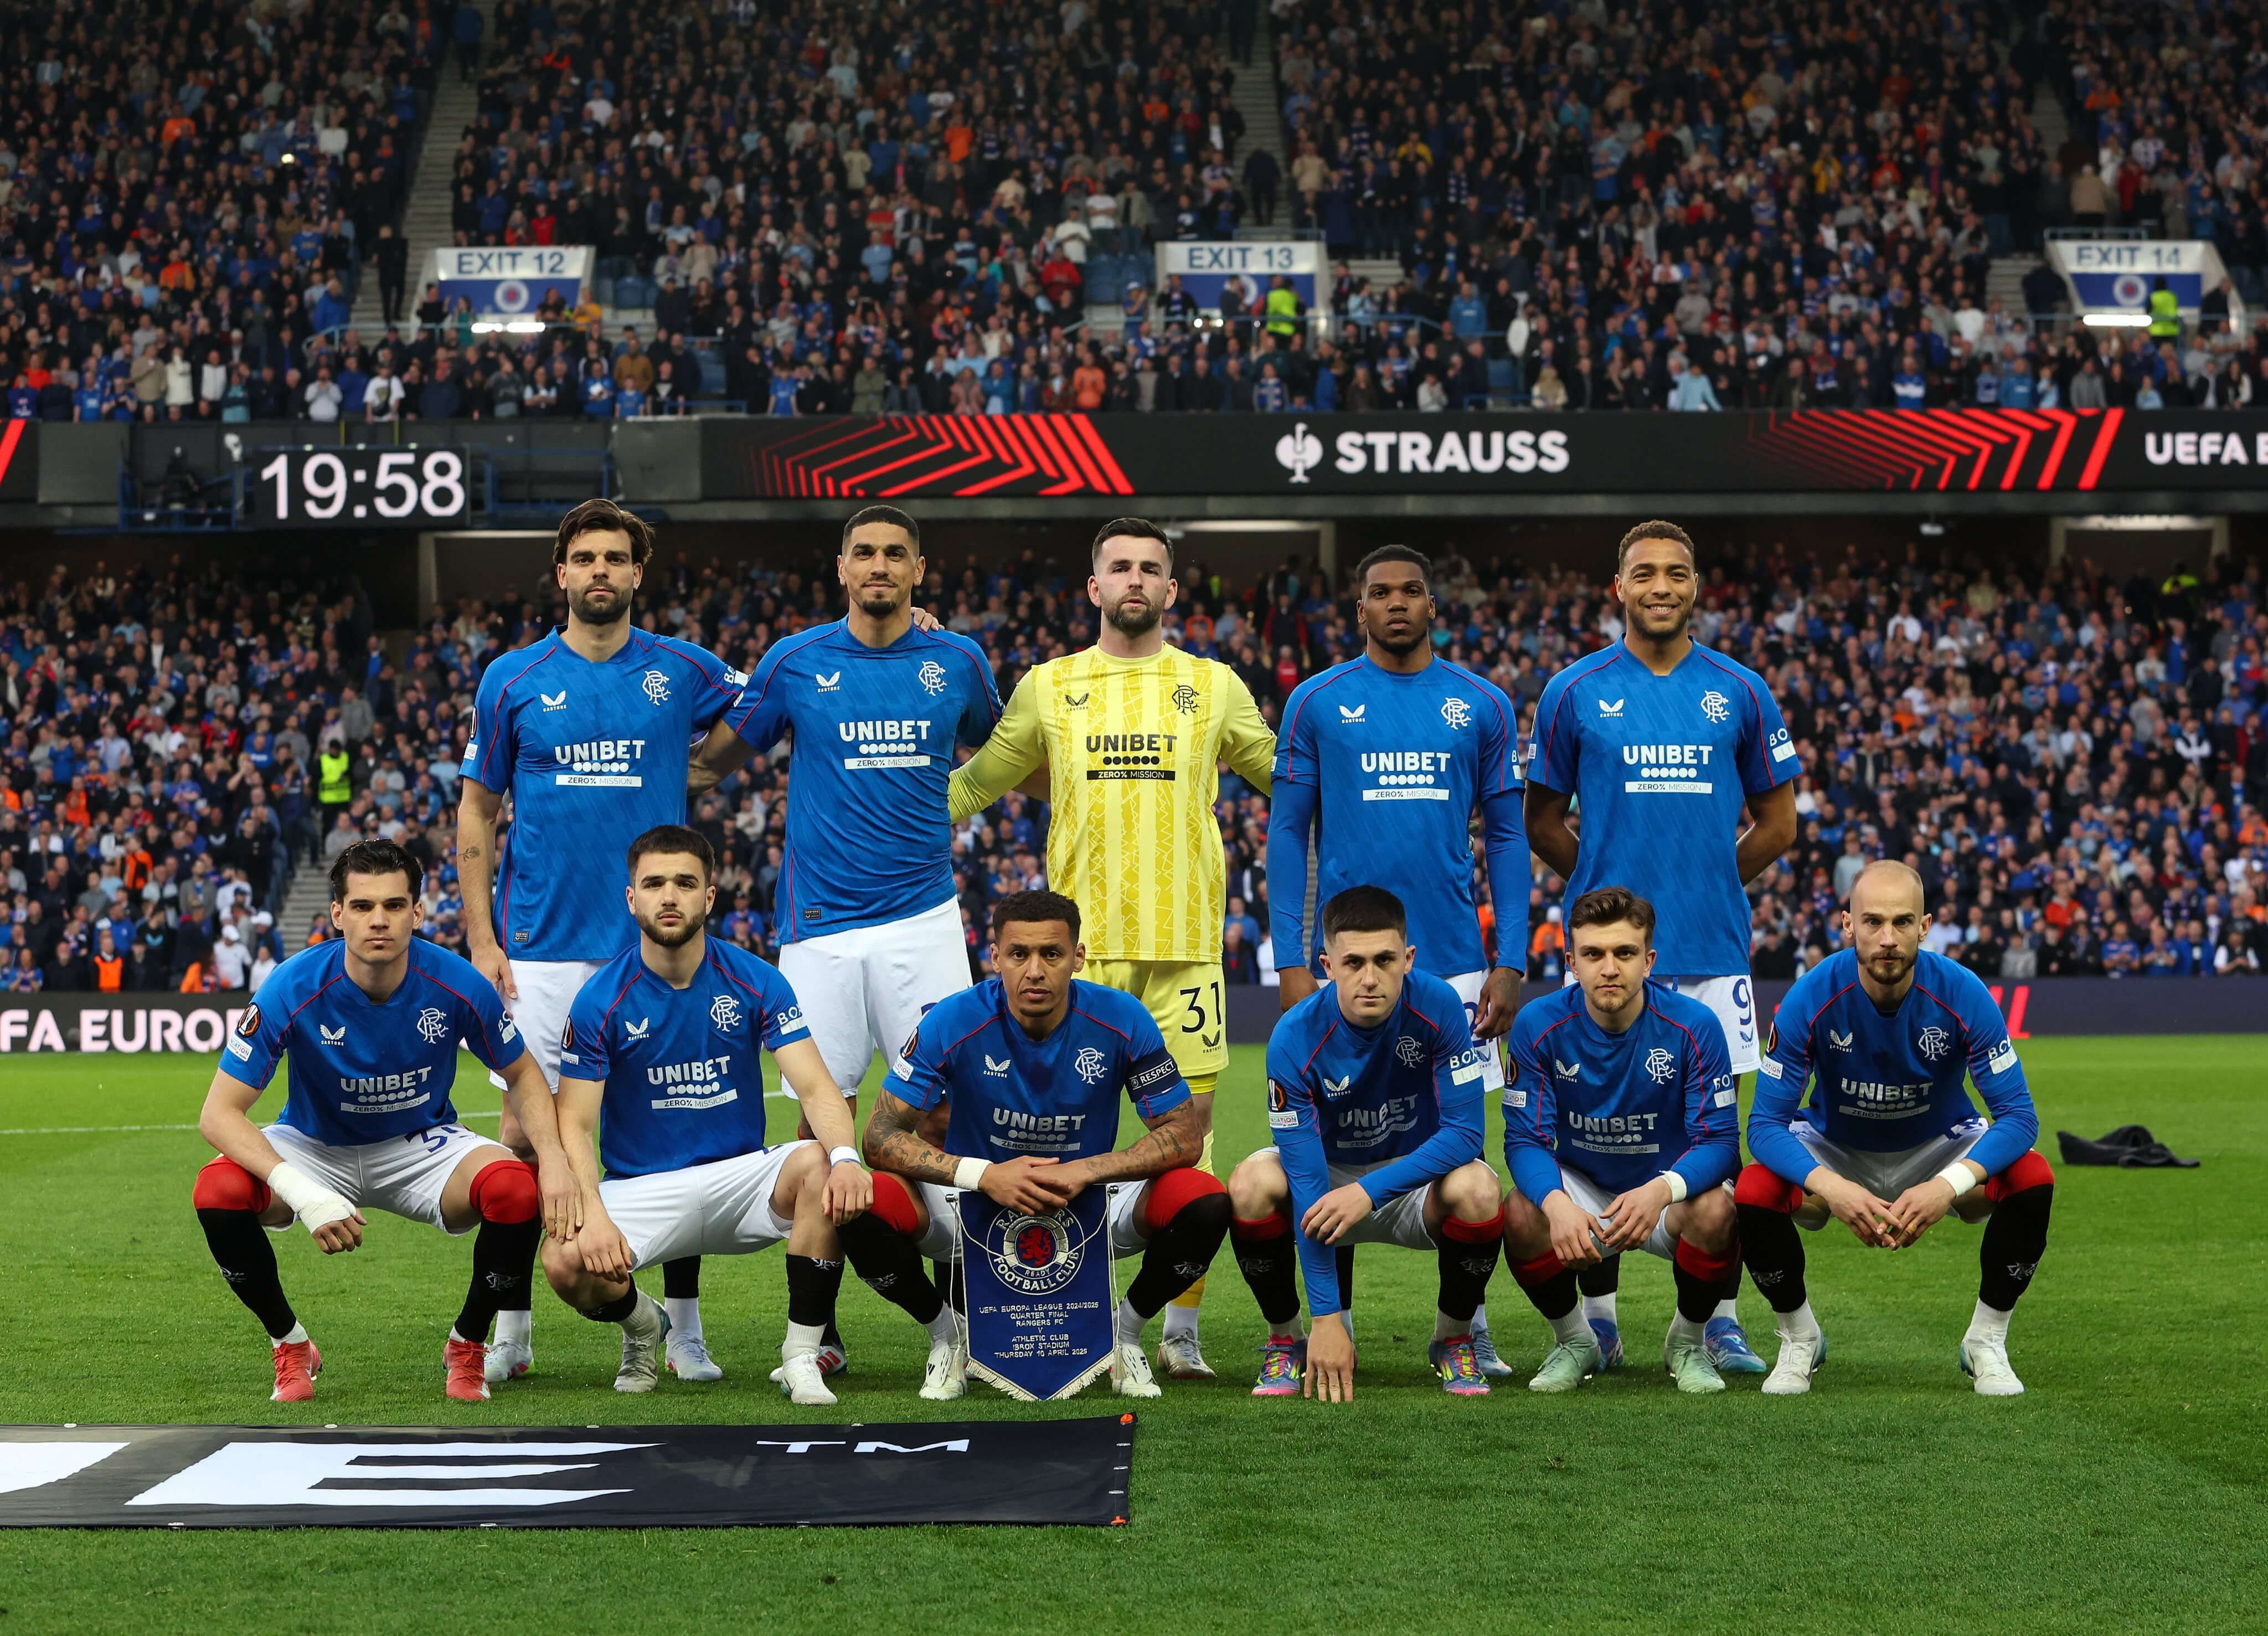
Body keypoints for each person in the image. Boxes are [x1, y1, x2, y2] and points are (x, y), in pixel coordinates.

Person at [947, 518, 1275, 1380]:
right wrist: (878, 807)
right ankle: (1036, 1304)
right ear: (1094, 588)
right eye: (1120, 567)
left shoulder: (1213, 685)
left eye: (1152, 569)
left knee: (1190, 1139)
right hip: (1076, 958)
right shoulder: (1051, 686)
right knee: (1049, 1127)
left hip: (1183, 948)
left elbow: (1289, 775)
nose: (1136, 579)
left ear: (1172, 590)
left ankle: (1173, 1329)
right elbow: (979, 781)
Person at [687, 504, 996, 1383]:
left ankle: (969, 1323)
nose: (880, 566)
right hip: (819, 933)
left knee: (940, 1115)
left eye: (896, 553)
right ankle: (816, 1332)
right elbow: (716, 761)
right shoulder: (796, 660)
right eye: (865, 552)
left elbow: (1008, 749)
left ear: (919, 570)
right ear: (842, 566)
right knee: (820, 1125)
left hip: (925, 922)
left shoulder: (957, 661)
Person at [455, 498, 746, 1387]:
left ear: (636, 574)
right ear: (562, 572)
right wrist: (482, 939)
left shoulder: (681, 671)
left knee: (675, 1128)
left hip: (656, 945)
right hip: (541, 947)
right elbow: (476, 806)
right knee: (520, 1135)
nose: (600, 572)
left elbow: (775, 702)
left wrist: (703, 764)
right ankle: (512, 1320)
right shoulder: (513, 677)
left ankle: (685, 1329)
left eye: (616, 558)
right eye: (585, 558)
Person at [1524, 519, 1797, 1375]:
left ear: (1695, 585)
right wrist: (1603, 888)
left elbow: (1778, 821)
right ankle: (1597, 1319)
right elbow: (1541, 817)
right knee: (1587, 1127)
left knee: (1722, 1145)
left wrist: (1715, 875)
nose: (1661, 586)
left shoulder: (1742, 690)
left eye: (1677, 572)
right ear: (1620, 587)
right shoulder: (1574, 690)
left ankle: (1716, 1320)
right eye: (1644, 573)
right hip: (1610, 948)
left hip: (1712, 948)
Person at [545, 826, 943, 1402]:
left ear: (710, 896)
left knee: (818, 1163)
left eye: (685, 882)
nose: (669, 896)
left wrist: (847, 1156)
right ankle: (642, 1324)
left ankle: (803, 1356)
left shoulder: (755, 979)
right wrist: (593, 1212)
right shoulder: (599, 999)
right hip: (643, 1187)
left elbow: (817, 1087)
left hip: (740, 1179)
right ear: (632, 898)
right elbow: (575, 1123)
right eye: (654, 884)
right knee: (562, 1260)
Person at [188, 840, 577, 1405]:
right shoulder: (291, 986)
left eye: (395, 905)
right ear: (337, 913)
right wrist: (302, 1193)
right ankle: (290, 1342)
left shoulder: (457, 982)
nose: (380, 919)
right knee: (217, 1189)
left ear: (417, 913)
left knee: (517, 1189)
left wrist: (557, 1161)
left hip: (421, 1143)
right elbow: (218, 1113)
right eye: (364, 905)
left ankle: (467, 1342)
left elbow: (522, 1073)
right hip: (315, 1144)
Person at [1265, 545, 1527, 1376]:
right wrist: (1292, 958)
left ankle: (1465, 1326)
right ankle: (1322, 1321)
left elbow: (1510, 835)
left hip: (1451, 965)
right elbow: (1284, 835)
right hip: (1349, 958)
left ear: (1432, 602)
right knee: (1328, 1142)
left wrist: (1511, 954)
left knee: (1467, 1162)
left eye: (1413, 589)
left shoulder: (1479, 703)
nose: (1398, 603)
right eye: (1381, 592)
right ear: (1359, 609)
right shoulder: (1317, 701)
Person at [860, 891, 1230, 1400]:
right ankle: (948, 1339)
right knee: (863, 1202)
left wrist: (1089, 1170)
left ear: (1077, 958)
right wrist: (985, 1175)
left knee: (1204, 1199)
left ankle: (1122, 1336)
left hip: (1085, 1205)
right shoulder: (951, 1020)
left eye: (1051, 954)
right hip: (972, 1205)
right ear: (995, 958)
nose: (1035, 970)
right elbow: (878, 1136)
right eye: (1019, 955)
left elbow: (1185, 1135)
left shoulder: (1123, 1018)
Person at [1735, 862, 2054, 1397]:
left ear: (1925, 926)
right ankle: (1799, 1338)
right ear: (1847, 924)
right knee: (1753, 1190)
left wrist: (1944, 1187)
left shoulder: (1964, 992)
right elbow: (1764, 1127)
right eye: (1873, 922)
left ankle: (1987, 1342)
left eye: (1903, 923)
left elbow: (2021, 1118)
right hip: (1836, 1148)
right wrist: (1833, 1188)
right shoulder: (1809, 998)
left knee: (2033, 1176)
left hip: (1938, 1147)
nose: (1887, 939)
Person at [1229, 887, 1503, 1400]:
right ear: (1328, 964)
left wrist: (1369, 1191)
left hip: (1412, 1177)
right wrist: (1328, 1320)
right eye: (1354, 962)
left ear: (1409, 958)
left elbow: (1467, 1135)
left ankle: (1453, 1339)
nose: (1370, 978)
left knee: (1481, 1189)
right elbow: (1308, 1183)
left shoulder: (1439, 1005)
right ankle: (1287, 1340)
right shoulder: (1293, 1036)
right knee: (1250, 1184)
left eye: (1385, 960)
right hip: (1327, 1176)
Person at [1498, 887, 1743, 1395]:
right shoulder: (1539, 1025)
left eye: (1625, 953)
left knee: (1719, 1212)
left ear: (1649, 960)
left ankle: (1688, 1343)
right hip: (1583, 1188)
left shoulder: (1694, 1026)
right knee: (1520, 1213)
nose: (1609, 968)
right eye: (1594, 954)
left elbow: (1720, 1142)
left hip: (1662, 1193)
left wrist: (1662, 1190)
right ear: (1572, 962)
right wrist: (1557, 1204)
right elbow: (1523, 1139)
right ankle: (1577, 1340)